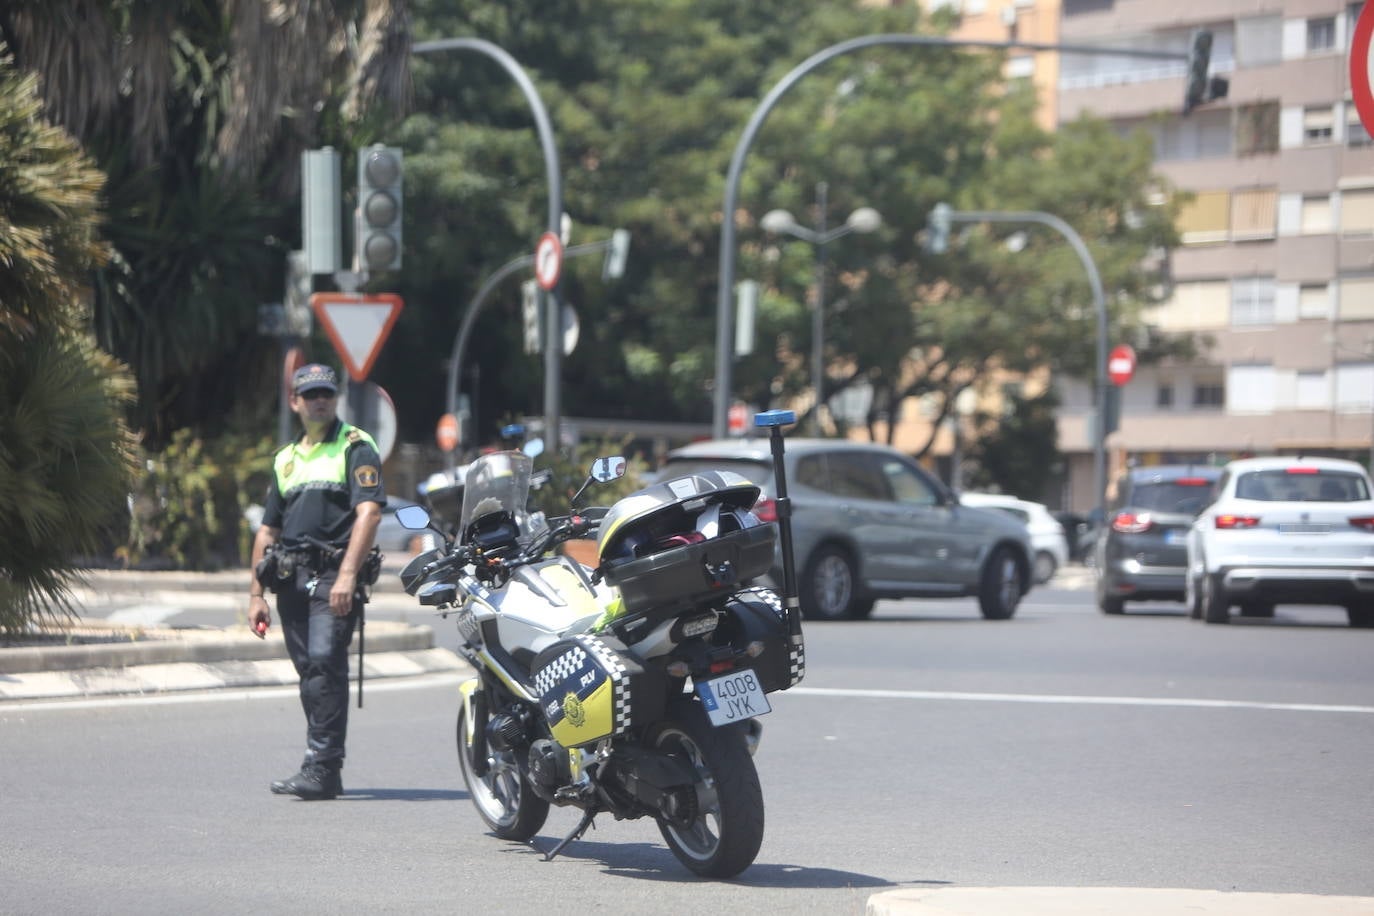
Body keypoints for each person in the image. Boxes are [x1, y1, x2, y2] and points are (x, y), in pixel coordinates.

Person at [248, 363, 385, 800]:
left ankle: (324, 766)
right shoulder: (285, 460)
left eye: (326, 393)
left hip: (333, 575)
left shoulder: (355, 446)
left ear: (335, 398)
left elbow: (370, 512)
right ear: (295, 402)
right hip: (290, 578)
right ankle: (319, 762)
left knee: (325, 662)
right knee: (310, 671)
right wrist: (256, 594)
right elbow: (267, 530)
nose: (319, 400)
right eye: (310, 395)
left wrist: (346, 575)